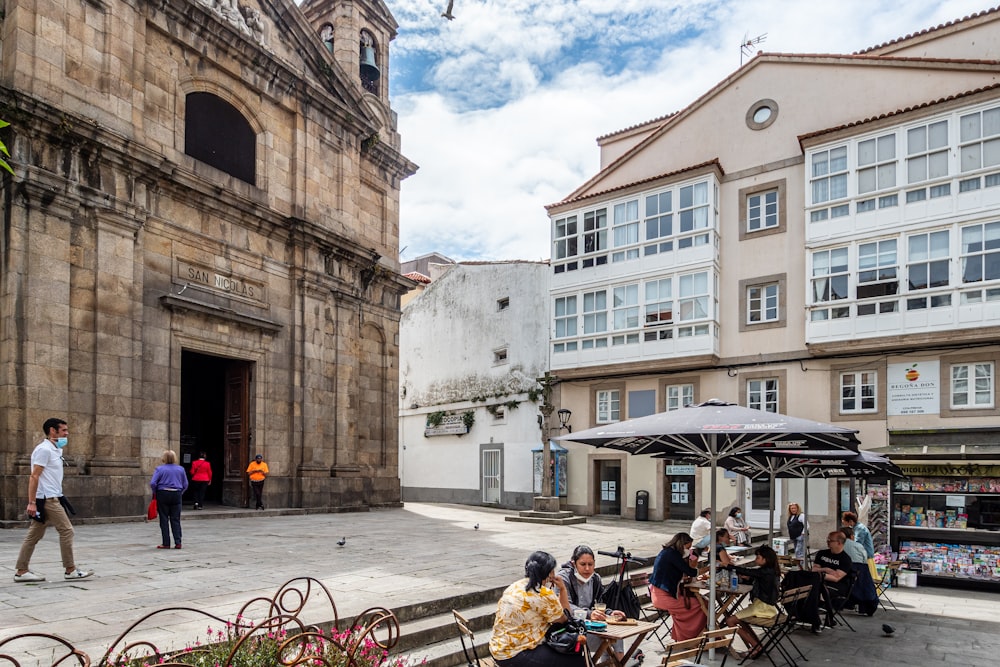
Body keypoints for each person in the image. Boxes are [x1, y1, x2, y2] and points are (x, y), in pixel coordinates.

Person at [14, 418, 94, 582]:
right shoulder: (44, 450)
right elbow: (34, 476)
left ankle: (21, 571)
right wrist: (32, 502)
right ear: (52, 431)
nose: (67, 433)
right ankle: (70, 569)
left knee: (33, 535)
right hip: (48, 499)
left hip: (52, 496)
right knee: (67, 531)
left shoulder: (54, 450)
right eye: (63, 430)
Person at [489, 550, 585, 667]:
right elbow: (564, 620)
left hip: (497, 648)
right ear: (550, 573)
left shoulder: (515, 586)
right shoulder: (543, 593)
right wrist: (563, 589)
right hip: (516, 654)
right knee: (578, 659)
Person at [557, 545, 626, 661]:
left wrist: (610, 613)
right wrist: (589, 614)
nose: (587, 569)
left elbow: (600, 604)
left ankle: (617, 663)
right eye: (583, 564)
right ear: (574, 564)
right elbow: (565, 607)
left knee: (617, 637)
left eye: (590, 564)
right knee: (609, 640)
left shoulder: (595, 579)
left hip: (589, 626)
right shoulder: (564, 578)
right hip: (569, 630)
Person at [648, 532, 707, 641]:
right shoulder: (672, 554)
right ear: (682, 544)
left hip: (662, 592)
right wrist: (708, 568)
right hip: (662, 596)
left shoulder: (668, 552)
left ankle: (689, 635)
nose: (688, 551)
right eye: (687, 547)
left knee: (703, 602)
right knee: (699, 605)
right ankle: (689, 637)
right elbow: (690, 571)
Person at [725, 545, 780, 659]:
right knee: (740, 620)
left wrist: (728, 566)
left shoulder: (766, 571)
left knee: (730, 621)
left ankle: (755, 646)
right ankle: (757, 644)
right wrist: (749, 578)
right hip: (766, 606)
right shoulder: (771, 571)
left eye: (758, 557)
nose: (756, 559)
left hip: (762, 607)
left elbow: (748, 571)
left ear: (765, 559)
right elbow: (759, 579)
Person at [812, 531, 853, 627]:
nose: (827, 542)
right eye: (827, 540)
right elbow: (814, 569)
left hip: (836, 587)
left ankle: (818, 619)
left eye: (830, 540)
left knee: (819, 591)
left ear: (839, 543)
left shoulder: (845, 559)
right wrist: (826, 570)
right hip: (819, 582)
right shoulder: (822, 553)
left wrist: (820, 574)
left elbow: (836, 578)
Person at [150, 450, 188, 549]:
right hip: (176, 493)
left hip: (163, 493)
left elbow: (153, 483)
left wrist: (156, 492)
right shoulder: (181, 469)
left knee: (164, 518)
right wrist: (180, 492)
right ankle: (178, 542)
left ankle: (166, 543)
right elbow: (185, 484)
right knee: (176, 519)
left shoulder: (160, 469)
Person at [842, 511, 877, 580]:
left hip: (866, 557)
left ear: (850, 521)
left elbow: (857, 543)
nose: (844, 524)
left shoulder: (860, 529)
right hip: (863, 556)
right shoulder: (856, 528)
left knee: (867, 578)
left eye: (845, 522)